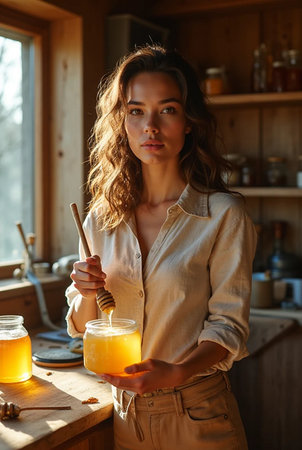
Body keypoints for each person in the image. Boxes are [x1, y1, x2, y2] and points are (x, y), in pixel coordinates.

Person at [65, 44, 257, 450]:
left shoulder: (223, 214)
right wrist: (84, 292)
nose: (150, 126)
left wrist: (174, 371)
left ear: (188, 121)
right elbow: (85, 326)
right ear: (123, 122)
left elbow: (229, 328)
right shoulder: (101, 217)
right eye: (136, 111)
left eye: (167, 109)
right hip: (125, 416)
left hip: (200, 416)